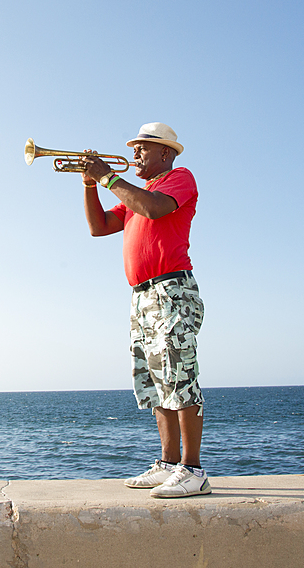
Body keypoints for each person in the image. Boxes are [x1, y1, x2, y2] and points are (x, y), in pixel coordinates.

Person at [81, 122, 210, 498]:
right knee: (156, 380)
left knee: (180, 375)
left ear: (165, 153)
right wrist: (91, 185)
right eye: (134, 148)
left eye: (142, 148)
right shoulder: (137, 192)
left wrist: (106, 177)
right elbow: (99, 226)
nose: (135, 154)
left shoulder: (179, 178)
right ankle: (169, 464)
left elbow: (154, 211)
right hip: (142, 296)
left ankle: (193, 469)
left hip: (171, 288)